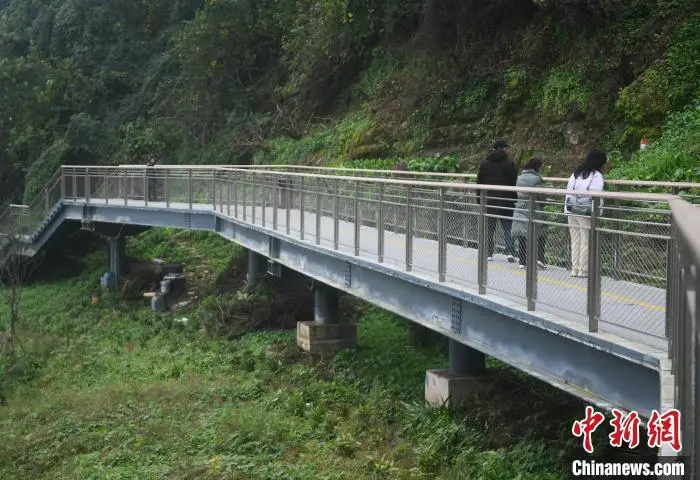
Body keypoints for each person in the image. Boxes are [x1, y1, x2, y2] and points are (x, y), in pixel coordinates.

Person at [565, 149, 607, 278]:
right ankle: (583, 270)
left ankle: (574, 269)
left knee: (575, 240)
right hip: (586, 211)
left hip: (571, 208)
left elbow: (569, 189)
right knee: (586, 241)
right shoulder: (596, 175)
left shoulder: (576, 173)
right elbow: (596, 191)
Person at [477, 139, 517, 262]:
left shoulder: (484, 163)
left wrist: (479, 199)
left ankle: (489, 253)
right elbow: (513, 181)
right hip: (506, 200)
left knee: (489, 228)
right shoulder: (509, 163)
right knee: (508, 227)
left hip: (488, 200)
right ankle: (510, 252)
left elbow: (479, 182)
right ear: (503, 149)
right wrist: (514, 197)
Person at [510, 157, 547, 269]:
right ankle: (540, 259)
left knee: (522, 235)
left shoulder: (519, 178)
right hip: (535, 209)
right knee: (541, 233)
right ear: (537, 167)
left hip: (521, 208)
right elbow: (542, 196)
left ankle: (522, 261)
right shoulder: (537, 179)